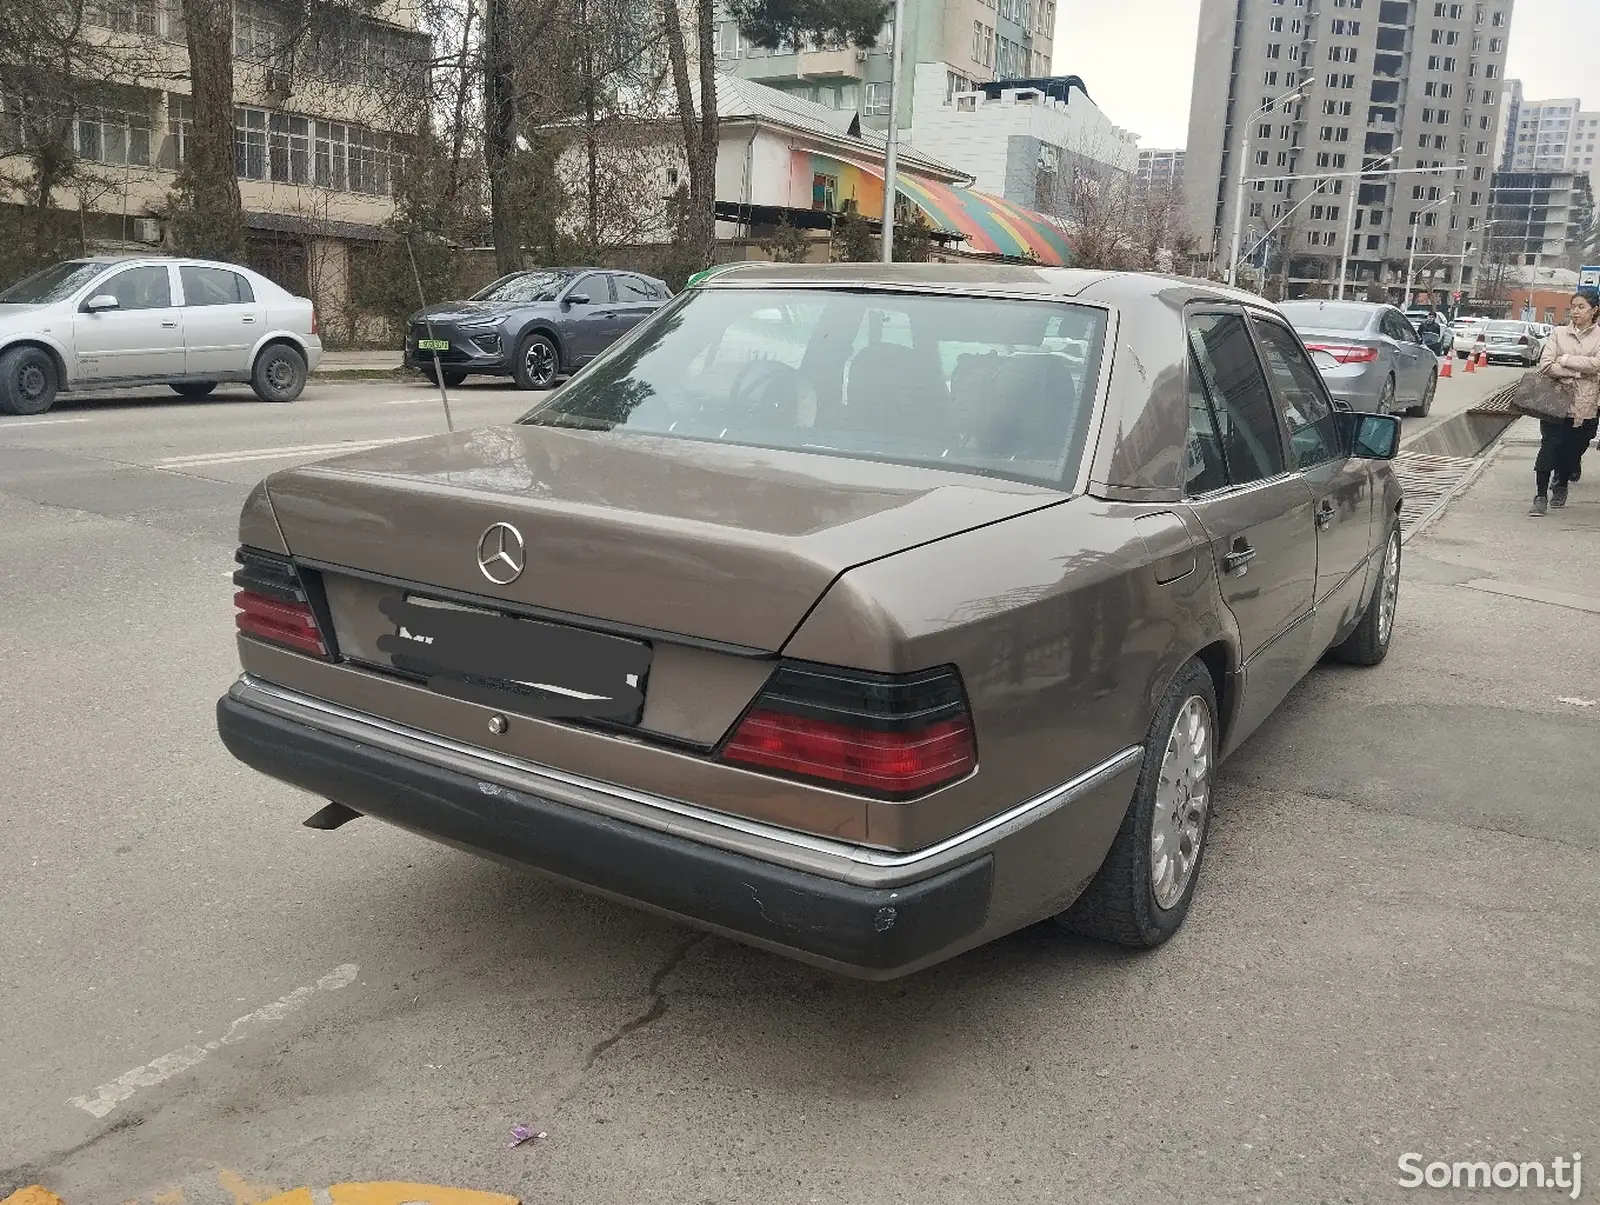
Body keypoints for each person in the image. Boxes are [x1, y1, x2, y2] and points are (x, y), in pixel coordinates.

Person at [1529, 287, 1600, 515]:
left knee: (1572, 450)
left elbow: (1597, 364)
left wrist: (1566, 359)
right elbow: (1547, 364)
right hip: (1555, 401)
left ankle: (1560, 482)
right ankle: (1540, 495)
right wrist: (1580, 372)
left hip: (1584, 405)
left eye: (1582, 307)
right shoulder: (1558, 333)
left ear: (1594, 310)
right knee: (1549, 446)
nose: (1576, 312)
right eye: (1573, 306)